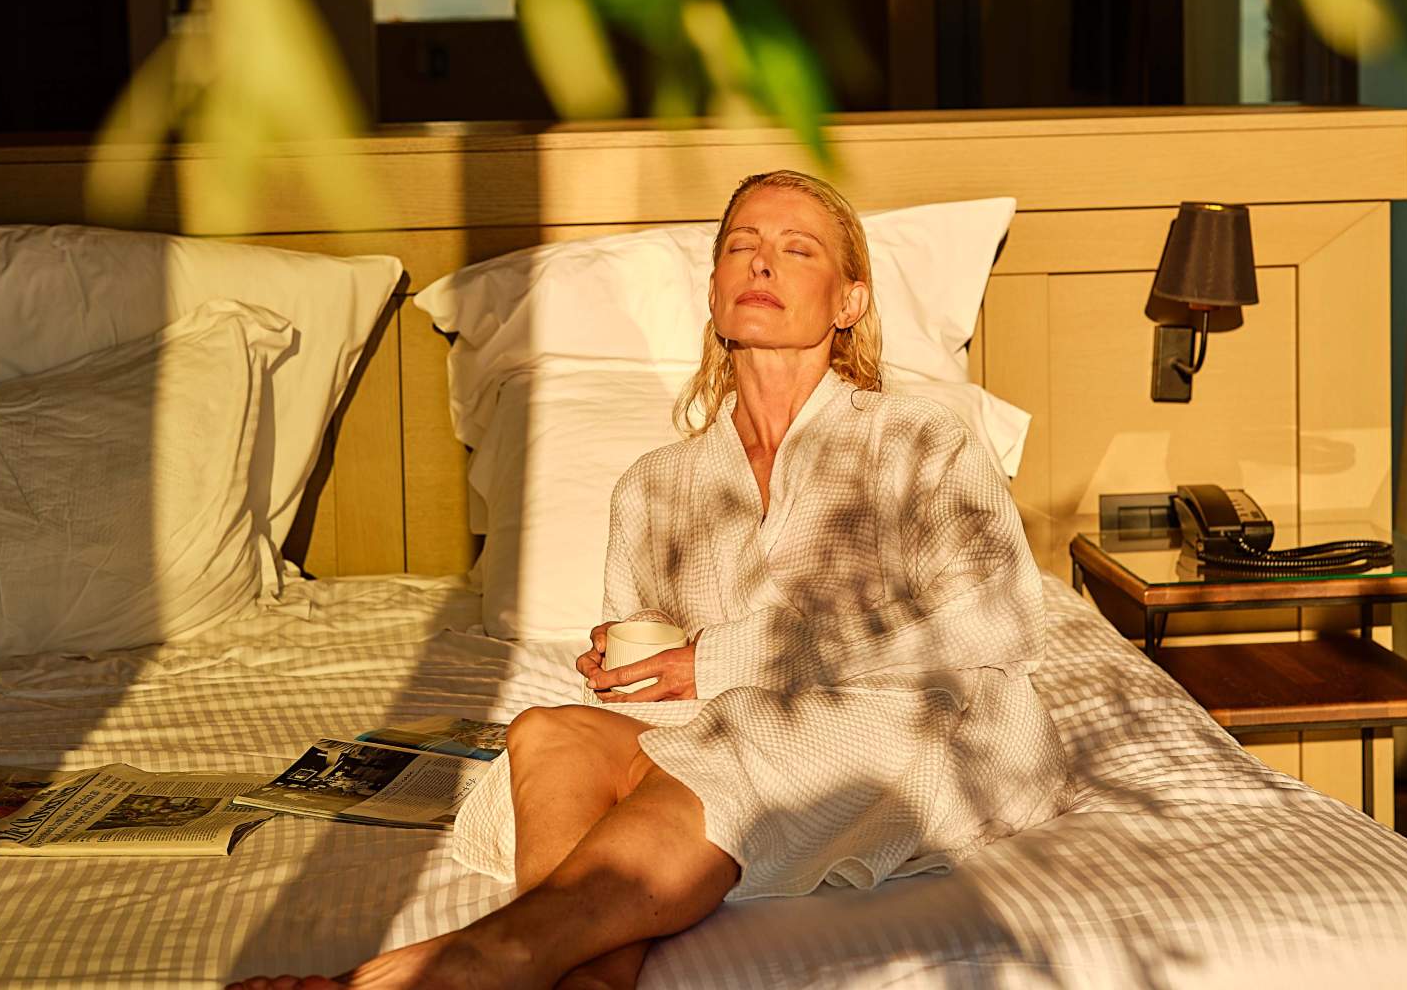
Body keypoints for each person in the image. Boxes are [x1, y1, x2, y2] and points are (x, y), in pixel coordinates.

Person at [227, 171, 1068, 990]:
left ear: (848, 303)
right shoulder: (656, 486)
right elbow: (661, 695)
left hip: (920, 727)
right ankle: (586, 973)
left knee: (743, 729)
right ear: (714, 290)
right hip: (725, 737)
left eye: (796, 249)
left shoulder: (919, 440)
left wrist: (720, 660)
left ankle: (484, 958)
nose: (761, 262)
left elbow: (997, 619)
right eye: (740, 245)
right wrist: (628, 671)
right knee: (548, 733)